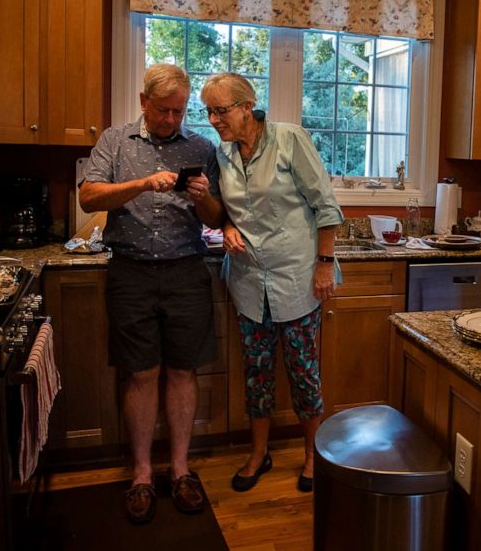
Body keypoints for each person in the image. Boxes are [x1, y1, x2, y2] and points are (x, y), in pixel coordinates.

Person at [79, 63, 224, 524]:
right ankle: (142, 474)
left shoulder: (202, 147)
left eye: (178, 112)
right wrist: (143, 182)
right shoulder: (115, 141)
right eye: (163, 110)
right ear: (144, 102)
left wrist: (202, 197)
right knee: (141, 374)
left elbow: (217, 219)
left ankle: (180, 470)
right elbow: (88, 197)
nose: (170, 120)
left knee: (183, 371)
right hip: (131, 272)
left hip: (186, 272)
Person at [201, 72, 343, 493]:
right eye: (208, 111)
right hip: (247, 282)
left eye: (220, 110)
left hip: (297, 277)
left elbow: (325, 205)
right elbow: (225, 207)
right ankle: (258, 453)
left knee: (303, 371)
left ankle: (312, 455)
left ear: (247, 106)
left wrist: (323, 264)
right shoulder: (222, 153)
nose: (213, 119)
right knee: (256, 373)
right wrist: (226, 225)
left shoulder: (288, 139)